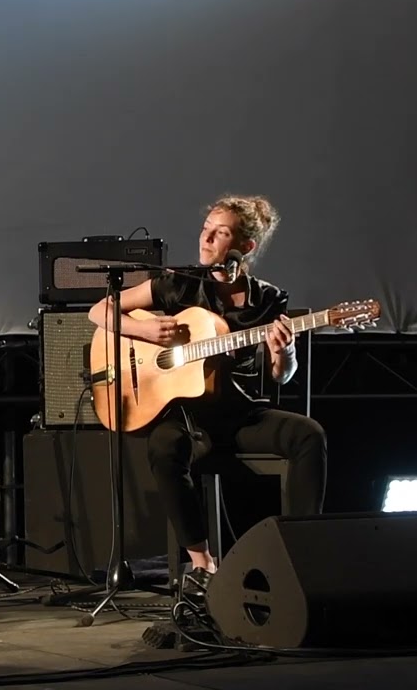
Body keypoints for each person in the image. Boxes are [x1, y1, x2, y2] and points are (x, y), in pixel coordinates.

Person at [87, 194, 327, 587]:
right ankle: (203, 563)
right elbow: (100, 310)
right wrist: (143, 329)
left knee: (309, 435)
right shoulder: (180, 284)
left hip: (241, 415)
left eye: (221, 232)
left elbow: (281, 376)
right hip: (189, 418)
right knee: (163, 447)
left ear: (245, 246)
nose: (207, 238)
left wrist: (285, 353)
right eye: (205, 229)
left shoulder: (268, 299)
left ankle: (301, 556)